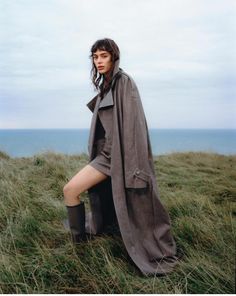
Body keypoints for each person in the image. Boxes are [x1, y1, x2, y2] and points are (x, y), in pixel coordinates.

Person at [63, 38, 181, 276]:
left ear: (114, 57)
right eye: (95, 57)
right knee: (71, 190)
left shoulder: (124, 82)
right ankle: (81, 242)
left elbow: (134, 127)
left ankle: (79, 247)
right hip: (107, 156)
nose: (99, 61)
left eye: (103, 56)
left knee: (70, 190)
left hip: (119, 158)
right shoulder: (107, 84)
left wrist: (134, 169)